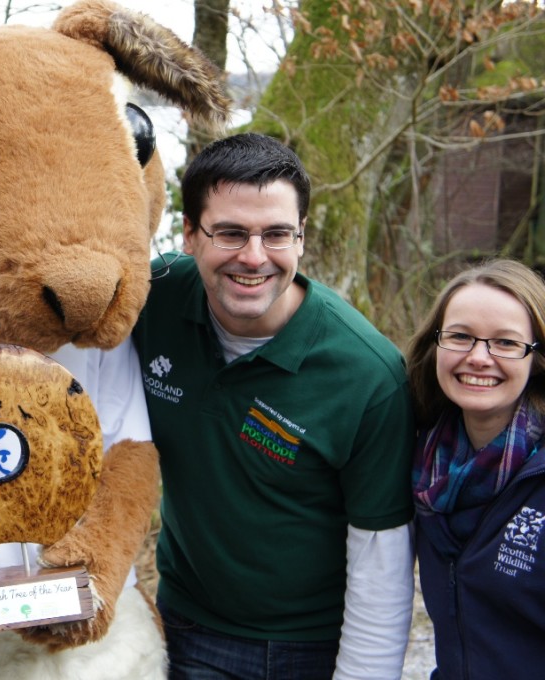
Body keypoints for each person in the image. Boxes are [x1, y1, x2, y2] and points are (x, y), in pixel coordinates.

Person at [132, 132, 416, 679]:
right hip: (180, 621)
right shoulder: (154, 299)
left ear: (302, 239)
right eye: (231, 233)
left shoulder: (366, 375)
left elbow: (382, 559)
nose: (254, 257)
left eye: (277, 234)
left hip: (305, 648)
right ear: (190, 234)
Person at [407, 259, 545, 679]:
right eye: (461, 337)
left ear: (537, 358)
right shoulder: (422, 463)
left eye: (505, 342)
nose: (479, 357)